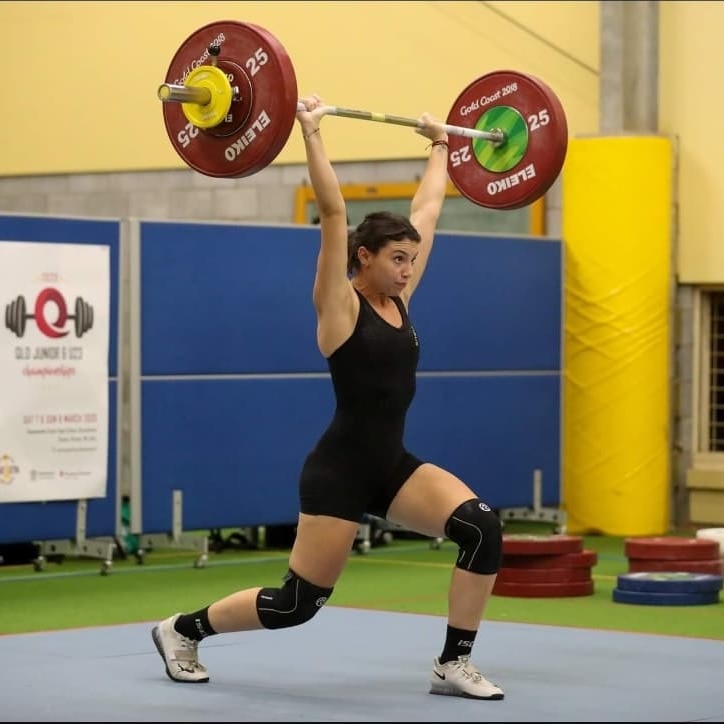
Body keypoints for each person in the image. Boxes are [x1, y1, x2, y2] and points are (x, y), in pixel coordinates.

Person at [152, 94, 505, 701]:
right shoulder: (339, 308)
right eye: (396, 259)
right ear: (362, 259)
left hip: (390, 466)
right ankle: (181, 630)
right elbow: (335, 213)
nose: (406, 269)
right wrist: (311, 134)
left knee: (482, 528)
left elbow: (429, 206)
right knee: (297, 604)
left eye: (411, 260)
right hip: (339, 473)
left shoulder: (399, 297)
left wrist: (441, 144)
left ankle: (453, 662)